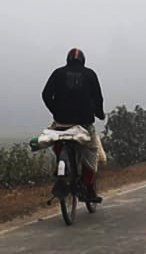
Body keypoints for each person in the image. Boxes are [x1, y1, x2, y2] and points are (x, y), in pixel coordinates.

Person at [41, 48, 105, 203]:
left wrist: (55, 110)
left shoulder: (58, 73)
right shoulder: (90, 74)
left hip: (61, 123)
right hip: (84, 124)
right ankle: (87, 188)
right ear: (83, 60)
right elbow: (98, 98)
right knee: (92, 153)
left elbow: (46, 94)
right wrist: (99, 114)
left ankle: (60, 164)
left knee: (56, 139)